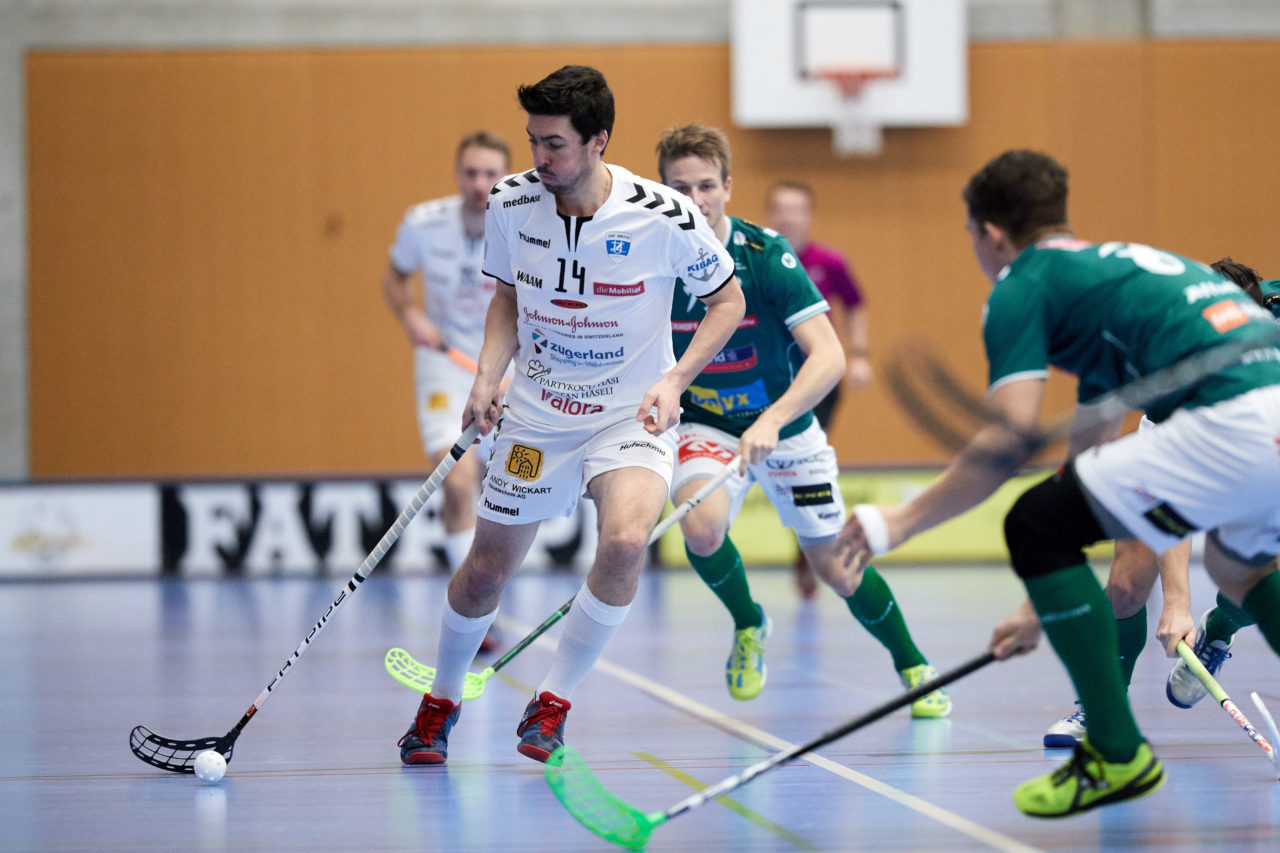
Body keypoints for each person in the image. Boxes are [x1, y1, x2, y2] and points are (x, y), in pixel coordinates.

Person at [839, 149, 1280, 818]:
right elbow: (1090, 458)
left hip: (1226, 417)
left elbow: (1006, 444)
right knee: (1239, 568)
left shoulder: (1023, 284)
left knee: (1032, 522)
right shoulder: (1115, 270)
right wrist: (1039, 602)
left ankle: (1116, 752)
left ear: (991, 232)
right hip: (1266, 409)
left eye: (970, 235)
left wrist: (897, 521)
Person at [396, 66, 746, 766]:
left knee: (624, 542)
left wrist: (678, 378)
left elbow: (727, 300)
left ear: (598, 141)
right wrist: (488, 376)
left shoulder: (664, 213)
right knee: (488, 566)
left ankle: (552, 703)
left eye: (554, 144)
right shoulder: (510, 202)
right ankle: (439, 700)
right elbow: (505, 297)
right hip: (538, 411)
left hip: (630, 412)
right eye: (533, 140)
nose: (540, 157)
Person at [657, 125, 949, 717]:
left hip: (786, 431)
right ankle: (749, 622)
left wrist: (775, 419)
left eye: (707, 185)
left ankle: (913, 665)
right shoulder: (650, 263)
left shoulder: (766, 256)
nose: (695, 199)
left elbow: (831, 356)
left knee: (837, 569)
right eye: (679, 187)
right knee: (701, 528)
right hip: (707, 424)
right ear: (662, 191)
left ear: (729, 186)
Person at [381, 131, 511, 575]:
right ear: (457, 175)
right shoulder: (422, 223)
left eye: (491, 174)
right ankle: (472, 598)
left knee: (504, 487)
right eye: (471, 172)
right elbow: (394, 279)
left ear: (506, 177)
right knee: (456, 483)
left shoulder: (526, 228)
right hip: (444, 365)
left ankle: (490, 585)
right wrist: (411, 318)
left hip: (504, 367)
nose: (480, 183)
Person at [765, 181, 872, 599]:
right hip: (767, 381)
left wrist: (860, 354)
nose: (788, 217)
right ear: (770, 214)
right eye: (781, 209)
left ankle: (809, 550)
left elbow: (856, 304)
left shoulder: (830, 262)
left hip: (817, 384)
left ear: (810, 215)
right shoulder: (757, 257)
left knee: (804, 464)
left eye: (797, 210)